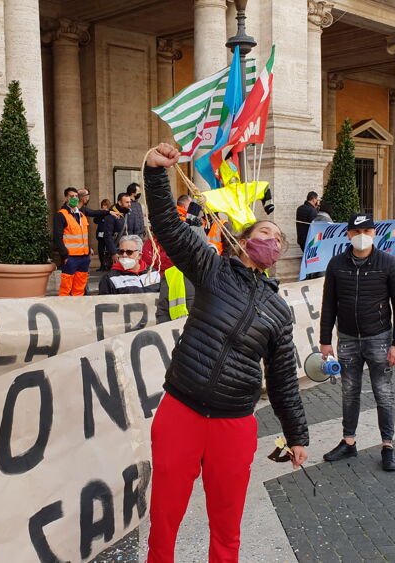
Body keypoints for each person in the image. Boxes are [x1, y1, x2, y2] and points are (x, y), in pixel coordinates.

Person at [143, 143, 308, 561]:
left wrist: (297, 436)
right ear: (243, 240)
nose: (272, 240)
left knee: (227, 523)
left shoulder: (279, 311)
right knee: (164, 516)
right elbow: (168, 227)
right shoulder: (211, 269)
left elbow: (283, 379)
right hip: (182, 410)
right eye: (265, 233)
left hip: (233, 424)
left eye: (278, 239)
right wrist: (156, 173)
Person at [319, 212, 395, 471]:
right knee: (349, 392)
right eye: (357, 232)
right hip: (347, 338)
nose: (362, 236)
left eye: (367, 231)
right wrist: (325, 340)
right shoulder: (336, 264)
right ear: (348, 234)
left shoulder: (389, 264)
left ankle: (387, 445)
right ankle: (348, 441)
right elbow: (329, 304)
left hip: (379, 338)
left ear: (374, 233)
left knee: (383, 392)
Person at [53, 187, 94, 296]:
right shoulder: (61, 215)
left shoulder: (81, 215)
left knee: (80, 288)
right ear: (66, 198)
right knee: (66, 287)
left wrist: (88, 250)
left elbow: (85, 235)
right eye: (71, 196)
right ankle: (64, 305)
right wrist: (64, 255)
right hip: (70, 257)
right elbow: (57, 237)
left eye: (76, 196)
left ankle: (78, 305)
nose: (74, 198)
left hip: (84, 257)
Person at [99, 193, 132, 272]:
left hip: (129, 250)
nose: (129, 204)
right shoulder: (111, 215)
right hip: (117, 251)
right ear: (120, 202)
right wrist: (113, 252)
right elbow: (108, 235)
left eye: (130, 202)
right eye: (127, 202)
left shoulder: (129, 213)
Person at [96, 198, 113, 271]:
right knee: (100, 251)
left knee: (109, 251)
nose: (103, 206)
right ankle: (102, 265)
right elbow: (95, 220)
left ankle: (109, 265)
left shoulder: (110, 213)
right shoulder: (101, 214)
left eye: (105, 205)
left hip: (108, 235)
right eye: (102, 205)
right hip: (100, 235)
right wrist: (101, 213)